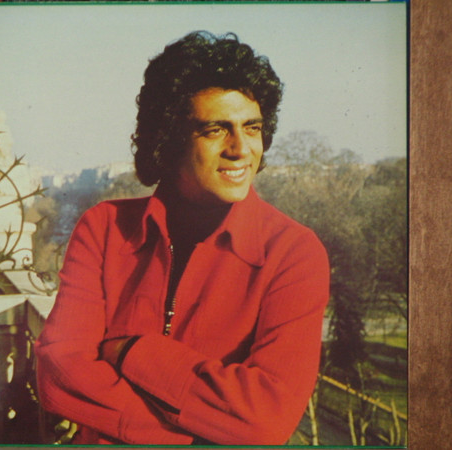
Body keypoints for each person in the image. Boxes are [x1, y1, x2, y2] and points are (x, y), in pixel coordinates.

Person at [35, 31, 330, 445]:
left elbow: (268, 418)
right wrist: (200, 436)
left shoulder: (293, 253)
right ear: (169, 139)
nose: (241, 148)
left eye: (252, 128)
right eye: (215, 130)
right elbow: (58, 375)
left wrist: (131, 352)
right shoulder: (104, 229)